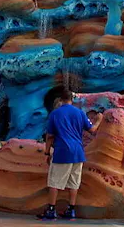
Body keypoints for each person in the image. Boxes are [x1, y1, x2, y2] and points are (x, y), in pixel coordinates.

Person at [38, 87, 97, 221]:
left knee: (54, 182)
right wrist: (99, 119)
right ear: (72, 99)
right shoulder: (80, 113)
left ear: (60, 99)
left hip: (62, 151)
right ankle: (71, 210)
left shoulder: (55, 113)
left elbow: (50, 136)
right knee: (74, 183)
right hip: (78, 152)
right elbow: (92, 129)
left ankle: (51, 210)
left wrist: (47, 152)